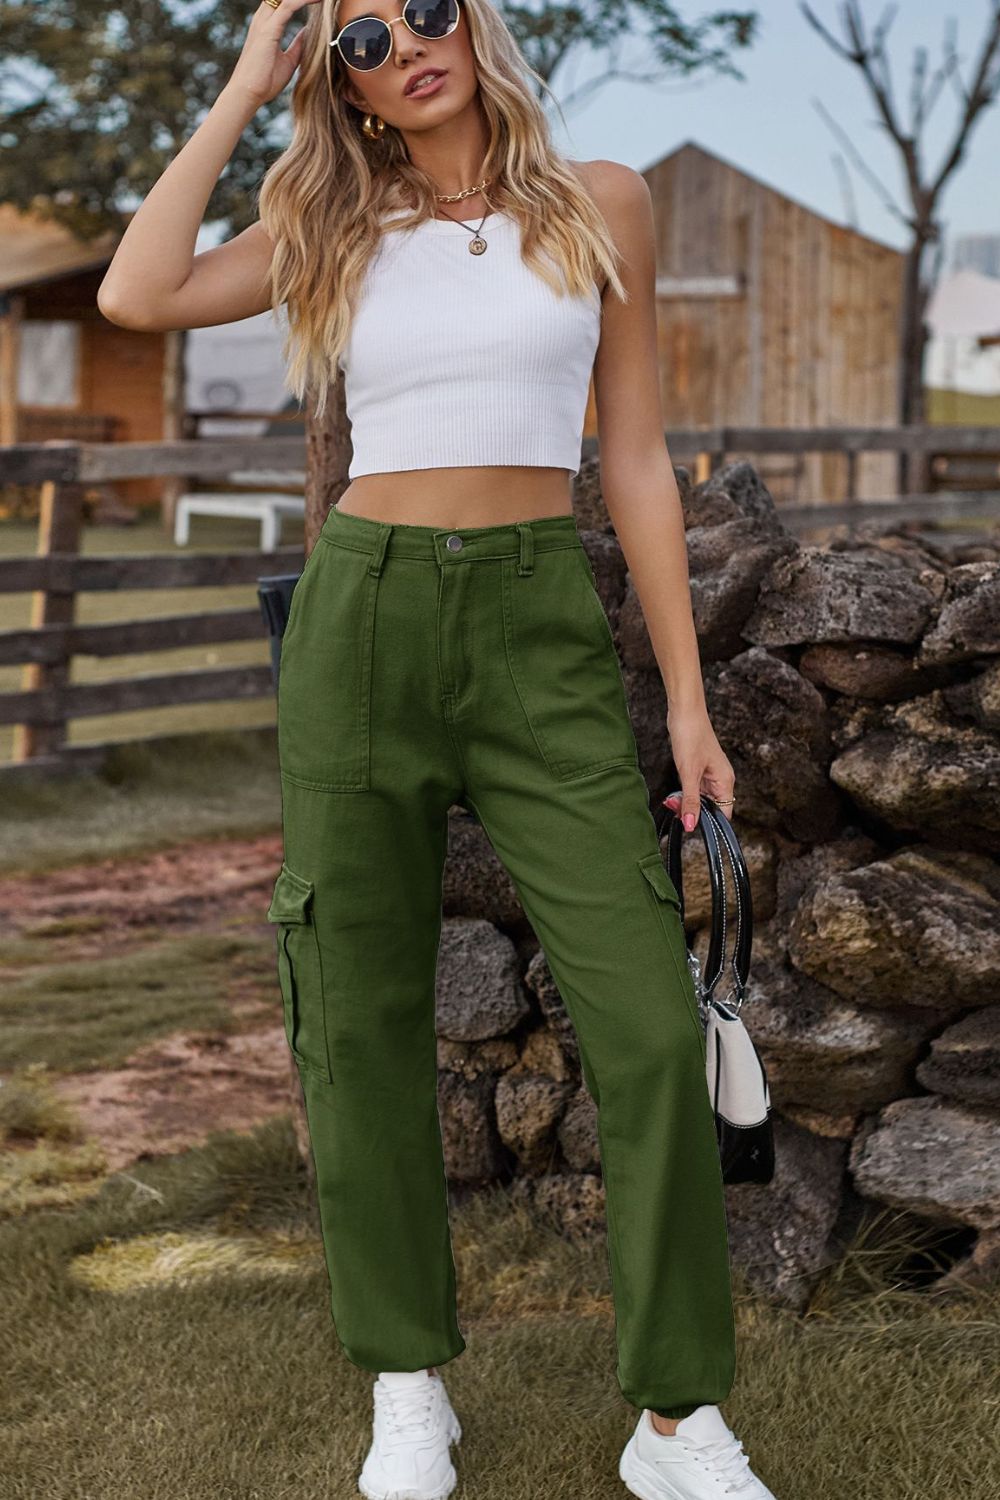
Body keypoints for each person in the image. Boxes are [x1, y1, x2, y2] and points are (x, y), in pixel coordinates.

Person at [97, 1, 777, 1496]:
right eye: (357, 39)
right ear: (335, 84)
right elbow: (137, 293)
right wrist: (239, 84)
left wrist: (685, 701)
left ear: (473, 20)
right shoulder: (333, 224)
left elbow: (639, 454)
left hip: (538, 619)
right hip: (365, 623)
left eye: (424, 8)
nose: (404, 41)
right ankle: (409, 1381)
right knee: (355, 1014)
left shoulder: (603, 200)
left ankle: (677, 1420)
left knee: (652, 1026)